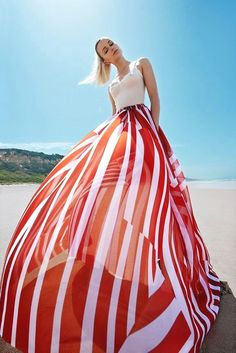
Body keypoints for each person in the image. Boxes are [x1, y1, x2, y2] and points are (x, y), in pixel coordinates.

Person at [0, 36, 220, 353]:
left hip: (144, 131)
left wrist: (154, 135)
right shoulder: (110, 86)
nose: (110, 48)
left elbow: (155, 98)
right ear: (103, 60)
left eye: (111, 43)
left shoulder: (140, 63)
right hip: (119, 135)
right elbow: (115, 115)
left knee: (156, 199)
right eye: (104, 49)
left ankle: (162, 262)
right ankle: (89, 248)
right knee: (93, 186)